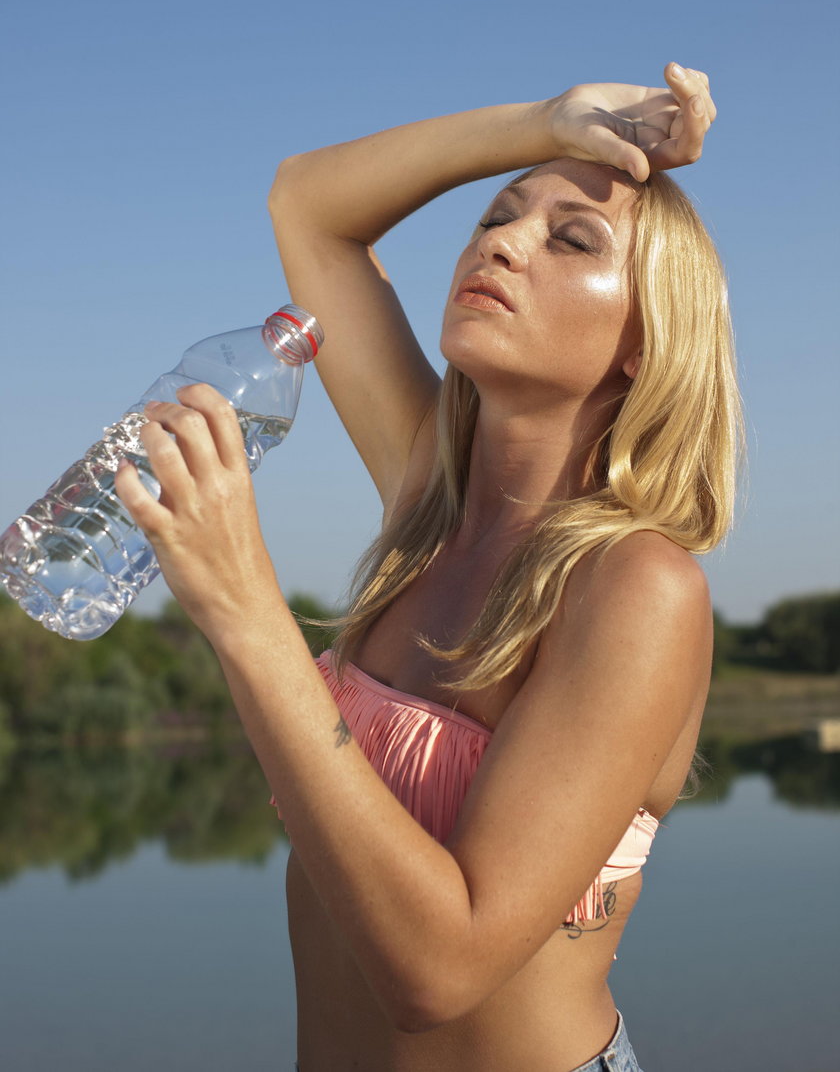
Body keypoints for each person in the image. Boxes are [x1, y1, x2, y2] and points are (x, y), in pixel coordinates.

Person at [115, 62, 739, 1072]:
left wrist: (244, 607)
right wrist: (546, 124)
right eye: (496, 216)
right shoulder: (425, 501)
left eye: (569, 237)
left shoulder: (637, 590)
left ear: (645, 342)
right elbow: (308, 205)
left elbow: (437, 972)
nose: (500, 240)